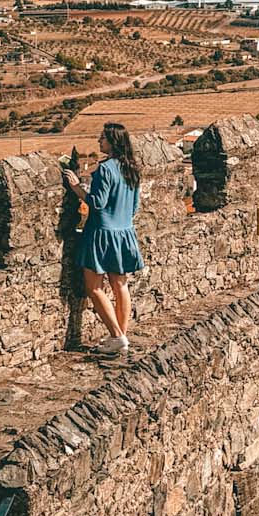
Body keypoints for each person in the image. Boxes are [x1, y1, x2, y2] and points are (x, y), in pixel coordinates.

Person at [74, 122, 144, 356]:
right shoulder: (132, 169)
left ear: (113, 142)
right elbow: (134, 207)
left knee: (94, 288)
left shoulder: (105, 169)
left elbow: (97, 203)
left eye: (102, 138)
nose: (98, 142)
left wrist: (76, 187)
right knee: (120, 285)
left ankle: (117, 336)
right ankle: (120, 337)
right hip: (124, 232)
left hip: (101, 233)